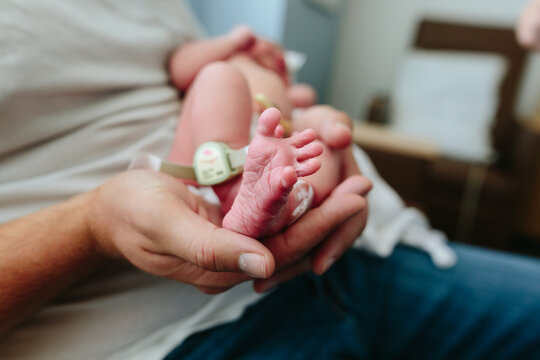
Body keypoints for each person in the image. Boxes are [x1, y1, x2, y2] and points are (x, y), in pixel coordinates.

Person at [0, 1, 539, 359]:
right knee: (217, 82)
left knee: (318, 140)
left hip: (353, 238)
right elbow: (185, 65)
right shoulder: (232, 58)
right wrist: (230, 47)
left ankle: (283, 199)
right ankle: (242, 188)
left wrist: (322, 127)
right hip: (198, 207)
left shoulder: (273, 77)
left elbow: (299, 113)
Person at [167, 26, 352, 238]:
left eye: (281, 54)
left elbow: (305, 99)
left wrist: (323, 118)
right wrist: (232, 41)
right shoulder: (234, 58)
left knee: (318, 144)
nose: (278, 54)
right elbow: (179, 68)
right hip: (206, 164)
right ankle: (232, 186)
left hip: (271, 156)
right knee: (220, 75)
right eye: (271, 46)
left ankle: (284, 206)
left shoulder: (280, 86)